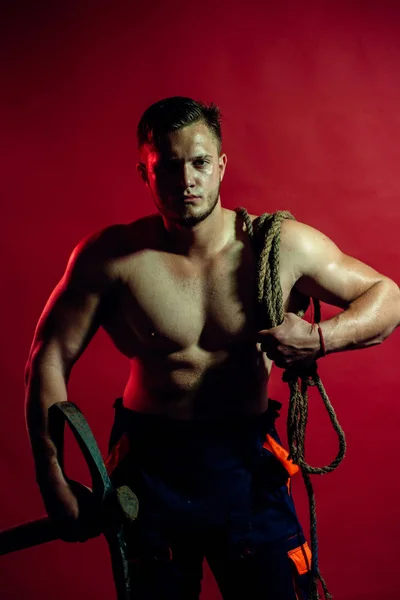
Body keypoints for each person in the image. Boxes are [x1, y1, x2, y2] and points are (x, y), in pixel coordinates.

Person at [24, 97, 400, 600]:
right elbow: (47, 357)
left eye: (200, 162)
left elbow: (388, 298)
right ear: (145, 172)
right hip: (150, 472)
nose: (187, 181)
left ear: (221, 165)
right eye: (169, 166)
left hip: (246, 468)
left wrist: (319, 338)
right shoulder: (110, 259)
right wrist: (52, 476)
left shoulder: (280, 247)